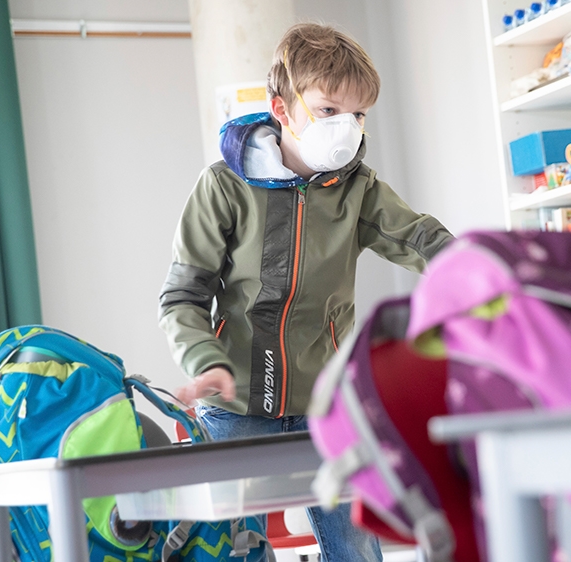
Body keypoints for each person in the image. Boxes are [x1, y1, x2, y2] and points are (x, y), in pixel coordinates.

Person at [158, 22, 453, 561]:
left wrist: (478, 270)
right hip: (236, 401)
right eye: (327, 110)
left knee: (357, 550)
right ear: (282, 109)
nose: (346, 127)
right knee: (235, 551)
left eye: (358, 114)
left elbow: (420, 238)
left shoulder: (358, 189)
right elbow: (182, 295)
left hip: (327, 401)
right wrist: (204, 359)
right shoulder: (224, 187)